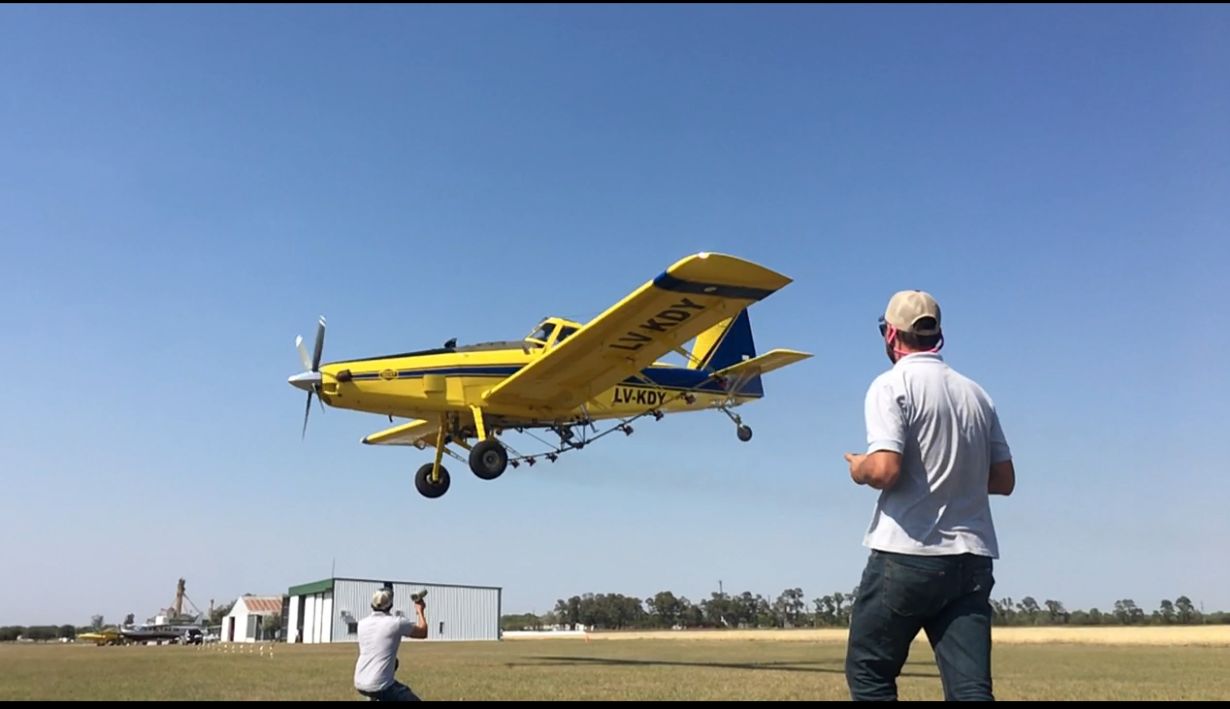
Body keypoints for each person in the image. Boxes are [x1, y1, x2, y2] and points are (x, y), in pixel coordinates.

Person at [843, 289, 1016, 701]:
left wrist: (859, 467)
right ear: (937, 334)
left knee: (869, 673)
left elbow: (886, 469)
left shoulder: (891, 385)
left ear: (890, 335)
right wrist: (957, 474)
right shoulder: (977, 394)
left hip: (907, 554)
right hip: (972, 560)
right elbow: (1004, 480)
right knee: (971, 688)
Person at [354, 588, 428, 701]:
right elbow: (423, 632)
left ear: (371, 604)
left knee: (395, 663)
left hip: (359, 681)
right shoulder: (396, 623)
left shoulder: (361, 624)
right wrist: (420, 610)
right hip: (380, 686)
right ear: (390, 605)